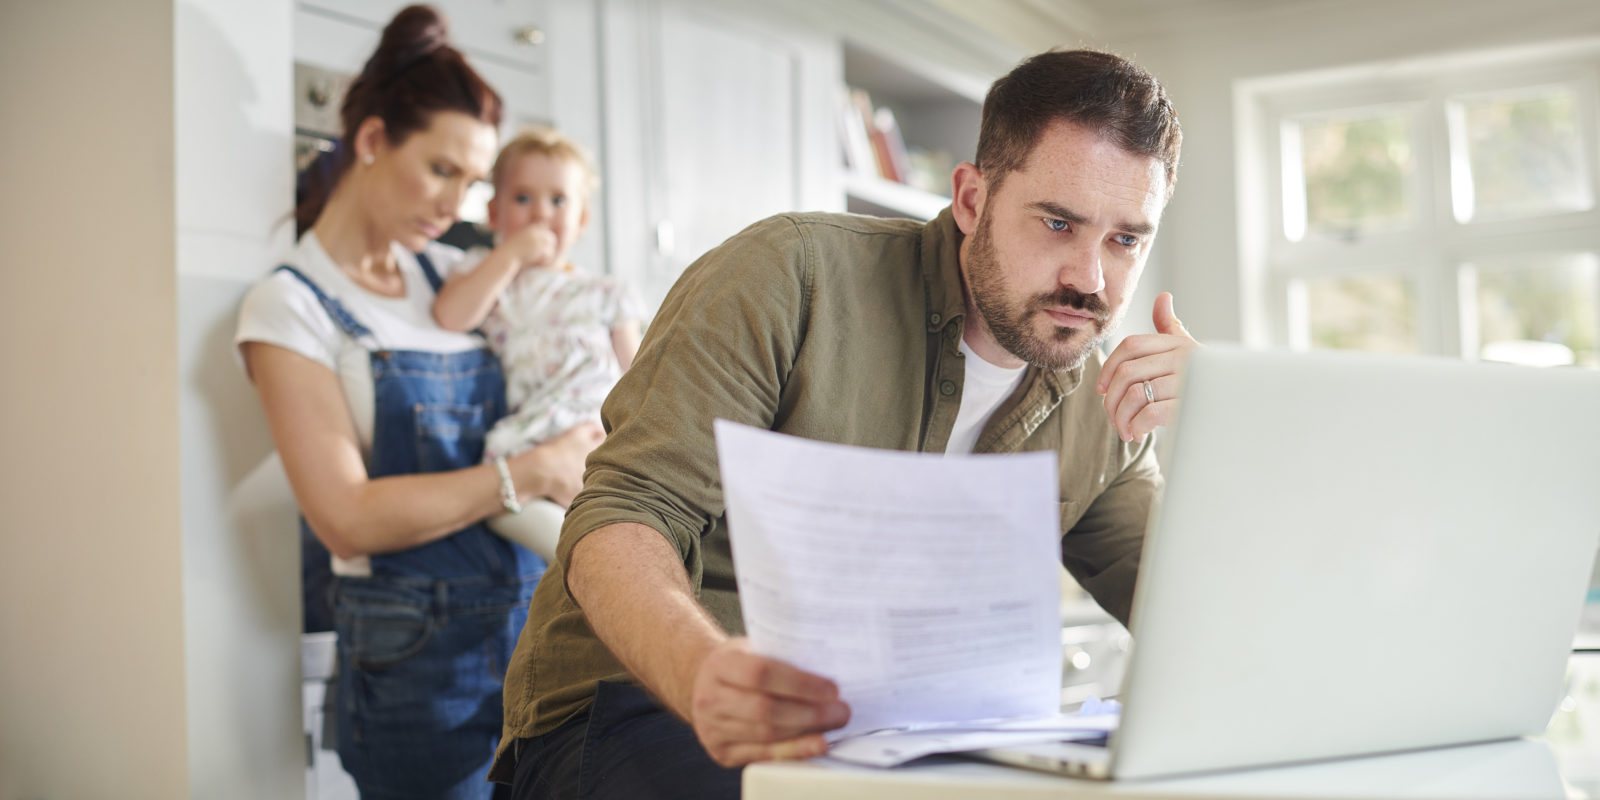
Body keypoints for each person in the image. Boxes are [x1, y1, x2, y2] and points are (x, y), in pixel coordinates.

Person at [492, 49, 1196, 800]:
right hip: (645, 707)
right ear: (970, 199)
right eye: (1059, 222)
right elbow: (623, 513)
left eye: (1125, 240)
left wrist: (1221, 437)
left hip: (909, 742)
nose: (1089, 278)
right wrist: (702, 674)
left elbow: (1198, 604)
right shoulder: (791, 276)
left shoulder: (1105, 402)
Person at [234, 6, 601, 798]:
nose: (457, 204)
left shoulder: (454, 279)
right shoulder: (289, 306)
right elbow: (347, 516)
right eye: (441, 171)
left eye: (472, 184)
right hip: (415, 673)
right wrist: (533, 471)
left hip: (532, 634)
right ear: (372, 142)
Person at [433, 127, 644, 559]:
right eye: (522, 199)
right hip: (529, 439)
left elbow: (638, 380)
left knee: (622, 523)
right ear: (493, 214)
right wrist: (509, 256)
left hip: (594, 437)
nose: (540, 215)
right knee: (511, 510)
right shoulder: (488, 275)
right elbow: (450, 317)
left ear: (582, 219)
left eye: (558, 200)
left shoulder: (605, 293)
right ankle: (577, 559)